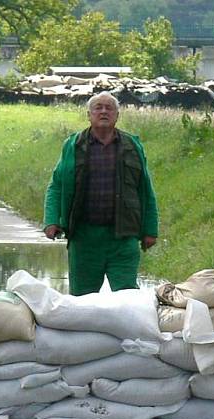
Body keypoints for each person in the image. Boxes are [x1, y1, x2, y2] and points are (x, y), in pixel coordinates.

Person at [43, 91, 159, 296]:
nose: (103, 111)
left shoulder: (132, 146)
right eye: (98, 107)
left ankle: (127, 330)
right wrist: (52, 220)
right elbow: (56, 186)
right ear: (89, 115)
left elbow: (145, 189)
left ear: (117, 116)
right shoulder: (73, 146)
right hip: (84, 239)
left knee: (127, 299)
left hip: (123, 238)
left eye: (109, 108)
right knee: (82, 301)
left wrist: (150, 229)